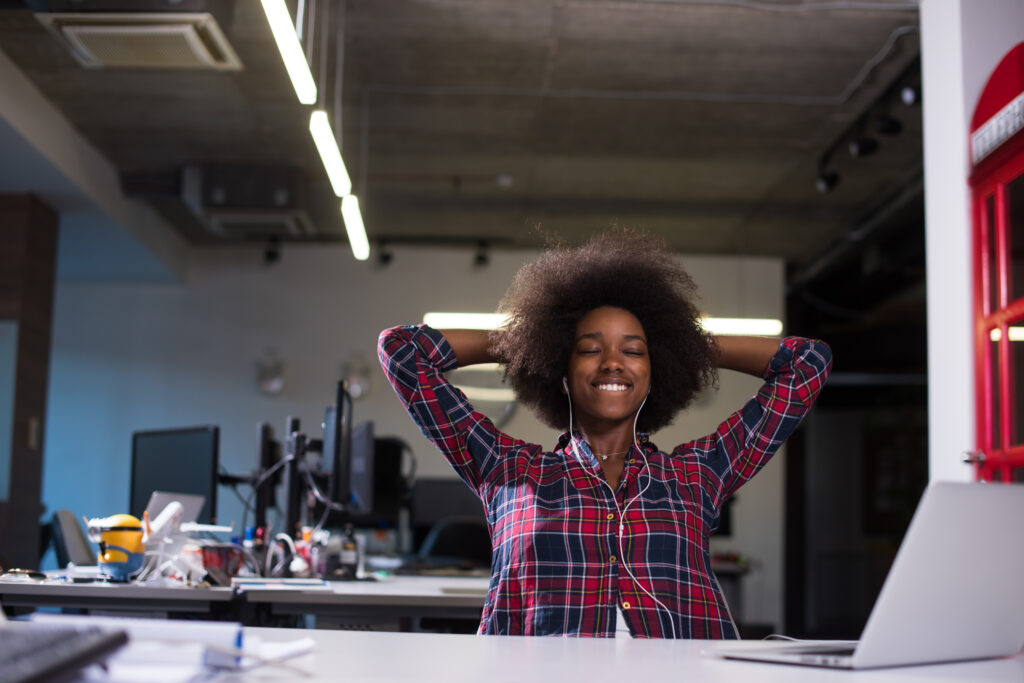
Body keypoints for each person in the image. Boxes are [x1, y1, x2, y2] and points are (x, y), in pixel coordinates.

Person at [378, 228, 832, 638]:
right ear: (561, 371)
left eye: (634, 351)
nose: (613, 362)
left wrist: (683, 344)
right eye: (589, 349)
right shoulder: (507, 470)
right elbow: (402, 352)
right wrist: (529, 342)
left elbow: (807, 364)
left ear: (654, 374)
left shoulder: (697, 476)